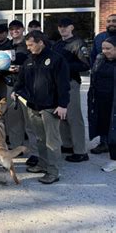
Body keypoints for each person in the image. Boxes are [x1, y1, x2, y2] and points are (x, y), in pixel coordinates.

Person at [13, 30, 70, 184]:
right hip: (33, 106)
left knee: (52, 141)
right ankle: (43, 164)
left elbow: (64, 85)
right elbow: (21, 79)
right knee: (40, 139)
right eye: (27, 45)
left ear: (40, 42)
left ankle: (53, 172)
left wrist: (63, 105)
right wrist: (16, 90)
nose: (28, 48)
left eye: (31, 45)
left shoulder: (56, 59)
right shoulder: (29, 60)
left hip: (51, 107)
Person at [53, 17, 90, 162]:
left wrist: (66, 67)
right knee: (62, 117)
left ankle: (80, 151)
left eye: (66, 26)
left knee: (74, 117)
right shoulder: (57, 44)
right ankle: (68, 144)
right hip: (58, 85)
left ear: (71, 27)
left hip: (71, 83)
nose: (63, 29)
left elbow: (86, 65)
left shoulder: (78, 43)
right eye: (60, 26)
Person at [4, 20, 39, 167]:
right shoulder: (7, 46)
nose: (14, 31)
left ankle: (35, 153)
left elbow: (36, 63)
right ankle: (16, 148)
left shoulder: (29, 44)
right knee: (13, 119)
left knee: (30, 122)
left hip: (27, 87)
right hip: (10, 85)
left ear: (23, 29)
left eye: (17, 29)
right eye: (11, 29)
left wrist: (21, 68)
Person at [88, 36, 116, 172]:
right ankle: (114, 158)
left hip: (114, 100)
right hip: (102, 101)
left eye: (108, 48)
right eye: (103, 48)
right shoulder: (100, 59)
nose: (105, 51)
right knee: (107, 129)